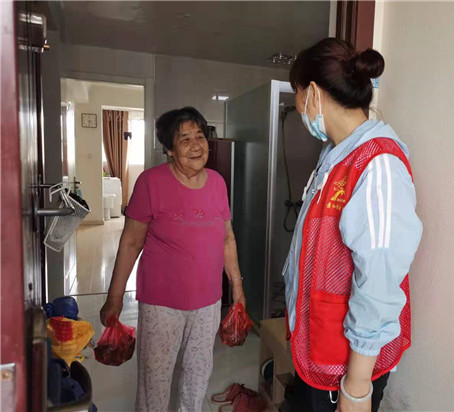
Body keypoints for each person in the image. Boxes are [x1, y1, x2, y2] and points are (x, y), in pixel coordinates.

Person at [281, 38, 423, 412]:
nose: (298, 105)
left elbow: (380, 278)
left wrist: (357, 385)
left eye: (297, 94)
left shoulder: (378, 164)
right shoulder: (335, 155)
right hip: (319, 350)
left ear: (313, 93)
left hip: (347, 365)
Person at [99, 107, 246, 412]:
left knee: (198, 374)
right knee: (155, 379)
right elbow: (131, 242)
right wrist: (114, 298)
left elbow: (227, 238)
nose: (196, 145)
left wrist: (237, 288)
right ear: (169, 149)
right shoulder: (150, 182)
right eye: (185, 139)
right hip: (162, 304)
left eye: (200, 136)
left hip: (208, 303)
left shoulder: (217, 182)